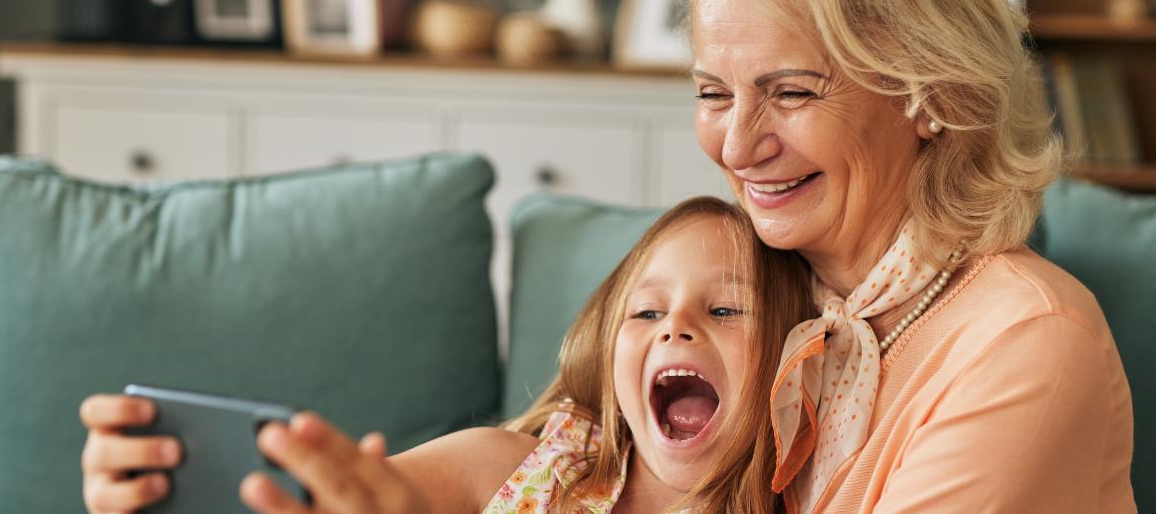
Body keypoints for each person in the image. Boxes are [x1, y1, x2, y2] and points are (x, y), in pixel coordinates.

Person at [685, 0, 1135, 513]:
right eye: (713, 93)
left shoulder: (1028, 342)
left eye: (792, 92)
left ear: (931, 93)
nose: (735, 145)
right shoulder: (723, 295)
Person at [79, 197, 813, 513]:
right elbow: (331, 502)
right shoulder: (515, 467)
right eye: (645, 310)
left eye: (724, 309)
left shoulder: (820, 495)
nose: (673, 328)